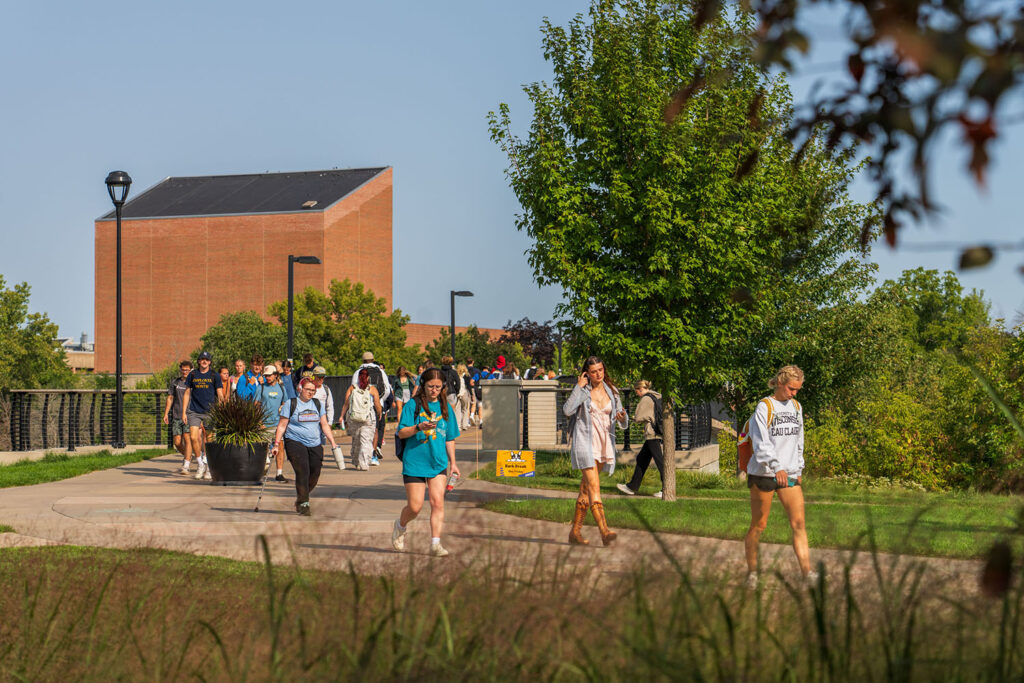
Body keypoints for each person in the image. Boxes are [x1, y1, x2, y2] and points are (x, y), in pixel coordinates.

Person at [744, 365, 813, 587]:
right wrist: (776, 467)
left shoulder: (796, 406)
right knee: (759, 525)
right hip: (764, 472)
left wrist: (798, 468)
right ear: (781, 383)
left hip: (790, 473)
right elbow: (761, 441)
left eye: (797, 390)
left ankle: (806, 574)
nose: (794, 393)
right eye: (791, 388)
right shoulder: (765, 407)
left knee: (799, 524)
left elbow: (799, 439)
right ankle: (752, 574)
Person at [392, 368, 461, 557]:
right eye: (431, 386)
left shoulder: (446, 407)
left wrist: (453, 463)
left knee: (437, 502)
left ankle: (435, 544)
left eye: (438, 387)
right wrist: (418, 427)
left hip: (438, 462)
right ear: (423, 385)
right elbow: (401, 432)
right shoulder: (412, 406)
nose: (434, 390)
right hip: (414, 461)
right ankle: (400, 526)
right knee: (415, 507)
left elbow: (450, 438)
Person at [562, 356, 627, 546]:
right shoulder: (583, 391)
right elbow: (567, 410)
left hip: (604, 444)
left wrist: (622, 417)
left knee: (585, 489)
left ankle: (575, 533)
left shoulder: (612, 392)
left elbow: (621, 418)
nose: (598, 374)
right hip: (585, 444)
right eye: (593, 371)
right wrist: (578, 387)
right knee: (594, 487)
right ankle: (605, 531)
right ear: (587, 374)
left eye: (600, 370)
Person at [271, 377, 340, 516]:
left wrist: (333, 442)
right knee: (303, 471)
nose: (311, 393)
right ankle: (304, 503)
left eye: (313, 390)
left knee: (315, 473)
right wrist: (276, 444)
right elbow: (282, 425)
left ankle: (302, 496)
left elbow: (324, 424)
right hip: (294, 441)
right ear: (300, 389)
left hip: (314, 442)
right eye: (308, 389)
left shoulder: (317, 404)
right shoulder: (291, 404)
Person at [616, 380, 665, 498]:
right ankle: (632, 487)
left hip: (651, 433)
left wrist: (629, 415)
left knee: (660, 462)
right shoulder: (657, 396)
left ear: (639, 389)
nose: (636, 394)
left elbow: (638, 417)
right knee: (642, 459)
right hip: (656, 431)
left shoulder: (646, 399)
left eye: (636, 391)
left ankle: (666, 489)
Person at [181, 351, 224, 481]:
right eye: (202, 359)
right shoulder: (193, 374)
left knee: (209, 440)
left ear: (210, 362)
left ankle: (209, 467)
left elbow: (220, 393)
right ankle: (200, 464)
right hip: (194, 411)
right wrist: (184, 412)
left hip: (210, 411)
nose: (204, 361)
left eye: (207, 359)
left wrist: (222, 407)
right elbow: (187, 393)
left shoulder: (214, 375)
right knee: (194, 437)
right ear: (199, 361)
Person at [351, 351, 391, 464]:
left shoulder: (358, 372)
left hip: (360, 407)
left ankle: (360, 455)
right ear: (373, 360)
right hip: (376, 405)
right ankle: (373, 455)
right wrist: (379, 400)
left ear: (362, 360)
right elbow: (387, 390)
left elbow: (353, 389)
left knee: (359, 430)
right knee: (375, 430)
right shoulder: (381, 372)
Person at [342, 367, 383, 470]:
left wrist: (341, 416)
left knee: (356, 440)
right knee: (366, 440)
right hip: (368, 418)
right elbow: (377, 404)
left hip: (354, 418)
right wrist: (379, 413)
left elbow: (346, 403)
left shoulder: (352, 388)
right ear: (368, 377)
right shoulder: (372, 389)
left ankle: (356, 461)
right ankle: (364, 463)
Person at [258, 365, 289, 482]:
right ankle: (261, 474)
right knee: (263, 449)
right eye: (266, 376)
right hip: (264, 424)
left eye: (269, 375)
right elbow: (256, 405)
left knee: (280, 447)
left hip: (278, 423)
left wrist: (283, 412)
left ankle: (279, 473)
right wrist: (259, 421)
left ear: (275, 375)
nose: (267, 377)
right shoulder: (260, 388)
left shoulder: (281, 388)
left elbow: (285, 403)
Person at [163, 360, 193, 474]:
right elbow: (170, 398)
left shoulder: (193, 383)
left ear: (191, 370)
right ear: (180, 370)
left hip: (189, 415)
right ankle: (188, 455)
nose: (185, 372)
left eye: (187, 370)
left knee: (187, 438)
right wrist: (166, 413)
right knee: (177, 442)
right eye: (183, 369)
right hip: (176, 415)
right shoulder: (175, 382)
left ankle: (186, 463)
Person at [311, 366, 335, 440]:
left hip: (322, 422)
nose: (321, 379)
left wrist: (330, 422)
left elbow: (330, 406)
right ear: (314, 376)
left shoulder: (326, 389)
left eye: (323, 377)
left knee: (321, 446)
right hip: (310, 422)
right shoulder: (308, 388)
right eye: (319, 377)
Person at [439, 355, 464, 428]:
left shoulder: (439, 372)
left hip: (441, 392)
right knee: (452, 411)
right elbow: (458, 382)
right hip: (451, 392)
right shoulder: (453, 372)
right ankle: (451, 426)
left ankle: (443, 424)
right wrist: (456, 391)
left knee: (442, 409)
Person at [456, 363, 473, 430]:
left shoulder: (456, 375)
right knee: (465, 409)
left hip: (458, 393)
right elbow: (469, 386)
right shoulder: (467, 375)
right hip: (465, 392)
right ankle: (464, 425)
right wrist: (471, 394)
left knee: (458, 410)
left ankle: (458, 426)